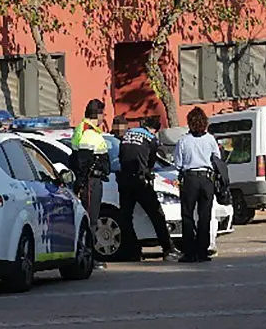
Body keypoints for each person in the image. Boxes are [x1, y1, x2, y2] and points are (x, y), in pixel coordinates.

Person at [118, 117, 181, 262]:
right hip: (141, 182)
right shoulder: (151, 139)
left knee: (126, 217)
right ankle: (168, 249)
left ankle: (133, 251)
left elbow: (122, 156)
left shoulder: (127, 134)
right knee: (157, 215)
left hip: (124, 180)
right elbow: (151, 162)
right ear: (154, 130)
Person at [174, 107, 220, 262]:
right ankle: (202, 250)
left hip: (190, 178)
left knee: (187, 215)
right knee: (204, 215)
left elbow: (178, 164)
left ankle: (189, 251)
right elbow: (217, 159)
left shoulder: (183, 140)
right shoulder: (210, 139)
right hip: (207, 179)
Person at [70, 99, 111, 268]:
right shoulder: (88, 133)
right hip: (91, 181)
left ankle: (88, 255)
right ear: (98, 114)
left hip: (91, 180)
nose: (104, 117)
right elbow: (84, 161)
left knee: (90, 219)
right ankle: (90, 257)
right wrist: (82, 182)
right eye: (103, 114)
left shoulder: (84, 129)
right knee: (91, 220)